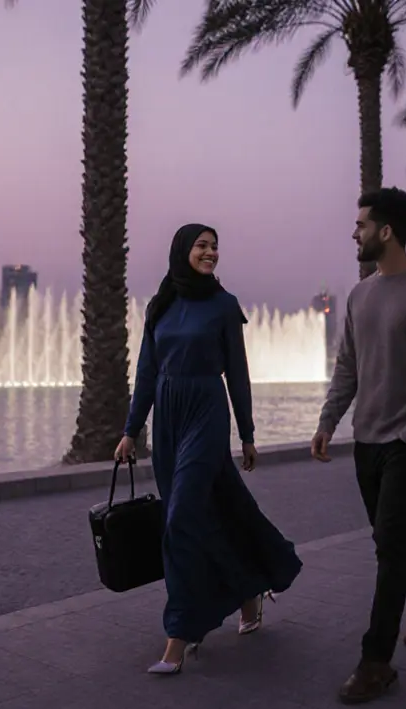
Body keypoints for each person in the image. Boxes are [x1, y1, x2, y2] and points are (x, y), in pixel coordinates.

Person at [117, 222, 303, 676]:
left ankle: (179, 635)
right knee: (212, 513)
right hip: (168, 419)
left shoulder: (223, 306)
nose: (210, 253)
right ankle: (247, 589)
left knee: (180, 518)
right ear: (182, 250)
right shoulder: (159, 306)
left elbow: (237, 373)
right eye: (202, 245)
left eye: (215, 247)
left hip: (206, 413)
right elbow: (145, 372)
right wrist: (130, 429)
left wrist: (248, 433)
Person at [311, 188, 406, 704]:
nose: (354, 232)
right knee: (387, 538)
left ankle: (375, 662)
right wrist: (329, 420)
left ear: (386, 231)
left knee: (389, 544)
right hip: (366, 439)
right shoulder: (360, 295)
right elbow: (348, 367)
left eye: (360, 224)